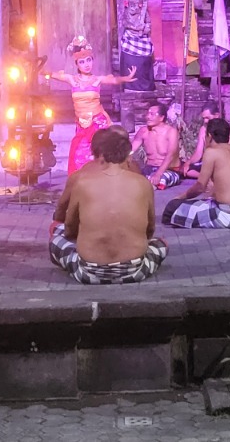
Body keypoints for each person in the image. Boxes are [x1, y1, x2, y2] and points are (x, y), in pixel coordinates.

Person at [49, 128, 167, 284]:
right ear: (128, 156)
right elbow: (150, 230)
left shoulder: (82, 181)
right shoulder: (143, 183)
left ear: (101, 155)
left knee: (55, 242)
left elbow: (70, 229)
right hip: (134, 271)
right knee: (161, 244)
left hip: (89, 272)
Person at [46, 35, 136, 175]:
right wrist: (40, 71)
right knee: (79, 154)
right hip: (82, 124)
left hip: (97, 122)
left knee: (99, 152)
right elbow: (52, 74)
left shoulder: (96, 80)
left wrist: (127, 78)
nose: (86, 64)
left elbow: (114, 81)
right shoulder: (72, 80)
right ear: (76, 64)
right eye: (82, 62)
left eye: (89, 60)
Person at [163, 119, 230, 228]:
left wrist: (179, 197)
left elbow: (200, 187)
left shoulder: (212, 152)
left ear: (209, 136)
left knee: (173, 207)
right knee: (204, 202)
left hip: (229, 215)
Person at [131, 102, 182, 190]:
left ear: (161, 118)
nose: (148, 117)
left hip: (169, 170)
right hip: (149, 169)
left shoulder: (171, 132)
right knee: (132, 179)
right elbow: (130, 150)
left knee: (159, 181)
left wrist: (158, 174)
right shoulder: (143, 131)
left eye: (152, 114)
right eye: (147, 113)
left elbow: (170, 155)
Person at [181, 105, 220, 178]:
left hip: (220, 162)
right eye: (204, 118)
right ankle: (207, 177)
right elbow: (198, 153)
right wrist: (187, 163)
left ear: (216, 115)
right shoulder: (203, 129)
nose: (205, 121)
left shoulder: (226, 128)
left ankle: (209, 176)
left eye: (208, 118)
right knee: (186, 170)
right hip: (206, 163)